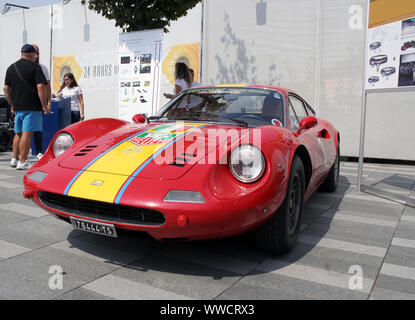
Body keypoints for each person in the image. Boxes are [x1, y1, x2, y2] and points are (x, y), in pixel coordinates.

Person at [3, 44, 49, 170]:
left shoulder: (11, 68)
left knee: (18, 134)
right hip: (32, 106)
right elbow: (41, 87)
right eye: (35, 54)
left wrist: (12, 104)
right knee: (27, 134)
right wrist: (44, 105)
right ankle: (23, 162)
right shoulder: (35, 67)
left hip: (18, 107)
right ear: (31, 54)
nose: (36, 57)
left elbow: (6, 89)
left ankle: (14, 158)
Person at [32, 44, 52, 160]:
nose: (37, 55)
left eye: (38, 53)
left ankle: (39, 151)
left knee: (38, 128)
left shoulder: (43, 68)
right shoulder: (22, 67)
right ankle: (18, 156)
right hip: (25, 102)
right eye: (36, 53)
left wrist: (48, 102)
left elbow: (47, 86)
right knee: (23, 131)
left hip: (38, 103)